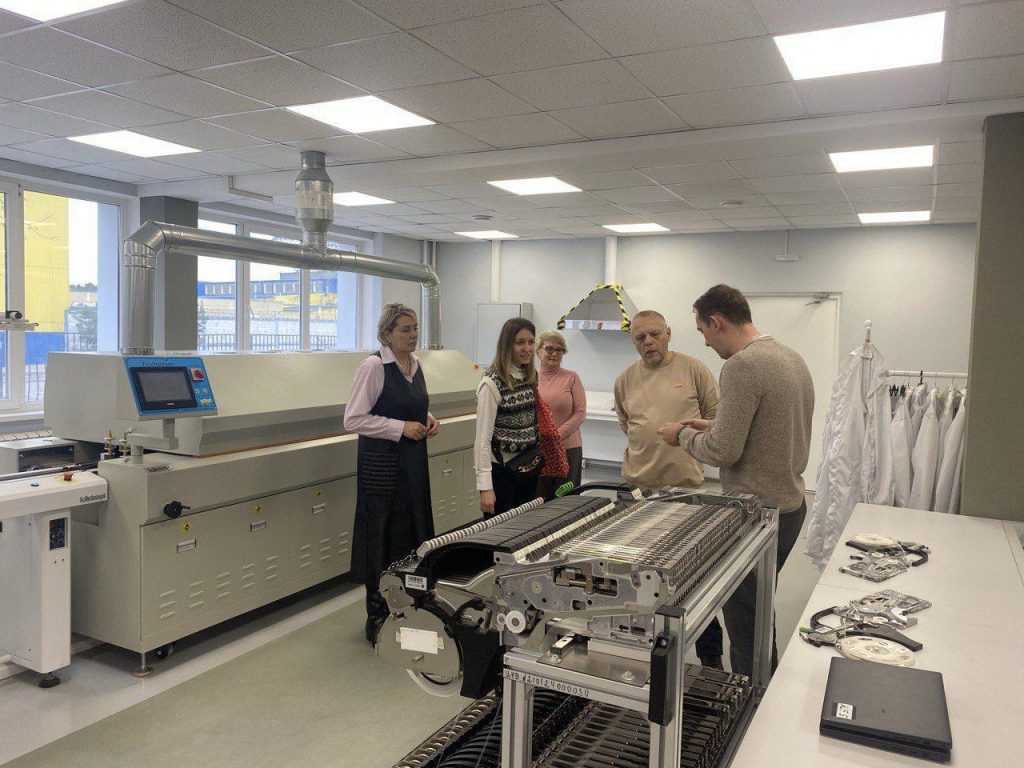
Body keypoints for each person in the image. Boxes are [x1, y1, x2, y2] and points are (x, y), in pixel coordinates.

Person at [657, 284, 814, 678]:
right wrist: (714, 425)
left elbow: (723, 451)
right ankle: (763, 687)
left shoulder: (742, 366)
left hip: (755, 514)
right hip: (790, 505)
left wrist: (681, 435)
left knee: (747, 627)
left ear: (717, 322)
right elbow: (769, 428)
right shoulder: (790, 357)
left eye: (703, 332)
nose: (706, 343)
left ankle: (753, 700)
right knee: (759, 610)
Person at [613, 309, 723, 668]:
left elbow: (717, 422)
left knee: (694, 579)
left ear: (668, 333)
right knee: (637, 581)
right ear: (634, 341)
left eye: (655, 334)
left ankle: (710, 658)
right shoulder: (625, 380)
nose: (648, 342)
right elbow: (626, 424)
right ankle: (642, 656)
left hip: (685, 493)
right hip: (638, 493)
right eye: (640, 337)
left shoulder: (694, 370)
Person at [344, 303, 439, 646]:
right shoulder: (373, 367)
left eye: (415, 328)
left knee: (411, 533)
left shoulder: (415, 364)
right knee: (381, 536)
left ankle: (408, 609)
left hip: (412, 465)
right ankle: (377, 614)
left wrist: (427, 419)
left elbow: (411, 405)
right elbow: (353, 418)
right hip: (383, 469)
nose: (413, 335)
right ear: (386, 334)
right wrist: (400, 428)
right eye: (405, 330)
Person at [475, 318, 567, 516]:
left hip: (528, 467)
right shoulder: (491, 384)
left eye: (531, 342)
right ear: (507, 345)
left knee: (525, 527)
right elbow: (482, 441)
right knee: (500, 531)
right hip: (502, 473)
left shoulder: (529, 377)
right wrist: (485, 488)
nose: (527, 348)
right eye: (520, 342)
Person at [536, 330, 586, 498]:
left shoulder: (571, 378)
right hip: (539, 451)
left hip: (568, 450)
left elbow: (580, 413)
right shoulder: (531, 380)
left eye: (559, 350)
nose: (555, 353)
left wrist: (555, 436)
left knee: (566, 501)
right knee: (539, 500)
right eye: (549, 349)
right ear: (538, 352)